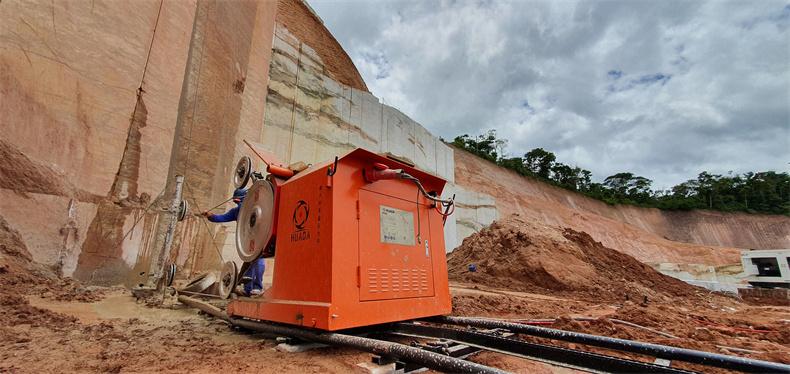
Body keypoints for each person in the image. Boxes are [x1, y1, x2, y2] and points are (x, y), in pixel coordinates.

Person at [202, 188, 265, 296]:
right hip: (248, 240)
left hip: (259, 238)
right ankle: (249, 289)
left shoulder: (258, 208)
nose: (239, 204)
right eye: (237, 202)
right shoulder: (237, 211)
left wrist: (211, 216)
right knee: (250, 263)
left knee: (258, 261)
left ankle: (256, 287)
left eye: (240, 201)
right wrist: (210, 216)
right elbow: (221, 218)